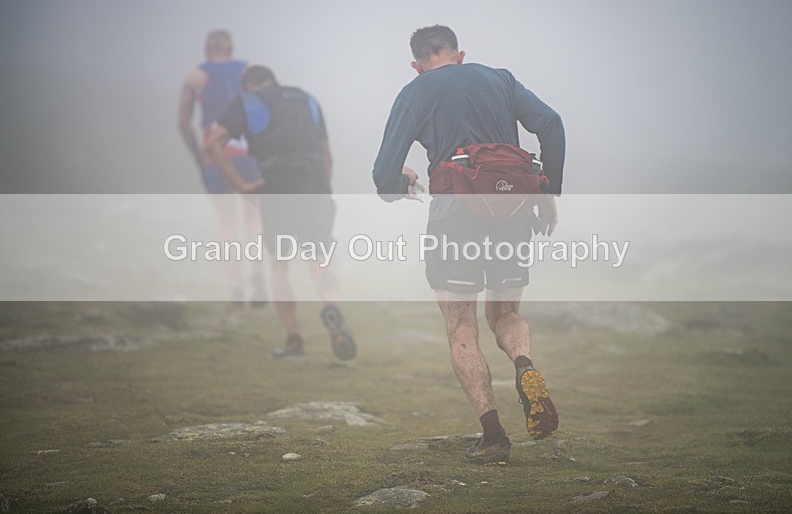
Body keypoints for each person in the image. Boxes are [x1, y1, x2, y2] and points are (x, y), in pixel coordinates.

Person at [373, 25, 565, 463]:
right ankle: (524, 365)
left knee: (462, 325)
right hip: (513, 209)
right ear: (460, 55)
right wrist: (546, 192)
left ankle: (494, 435)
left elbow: (383, 176)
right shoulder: (500, 78)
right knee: (506, 313)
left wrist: (400, 180)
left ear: (417, 65)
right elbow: (551, 124)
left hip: (455, 213)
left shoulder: (415, 91)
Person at [206, 65, 356, 361]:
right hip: (315, 186)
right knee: (319, 257)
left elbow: (213, 143)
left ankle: (293, 340)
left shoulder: (247, 102)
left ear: (248, 85)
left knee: (279, 264)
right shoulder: (307, 99)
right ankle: (332, 307)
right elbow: (327, 153)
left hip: (277, 187)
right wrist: (323, 188)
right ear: (273, 79)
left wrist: (242, 186)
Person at [178, 29, 267, 307]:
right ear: (231, 47)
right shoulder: (248, 71)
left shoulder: (196, 77)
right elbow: (264, 109)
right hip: (248, 151)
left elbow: (183, 123)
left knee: (227, 224)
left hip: (215, 152)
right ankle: (257, 272)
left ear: (207, 48)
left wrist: (199, 156)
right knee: (254, 218)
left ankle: (235, 289)